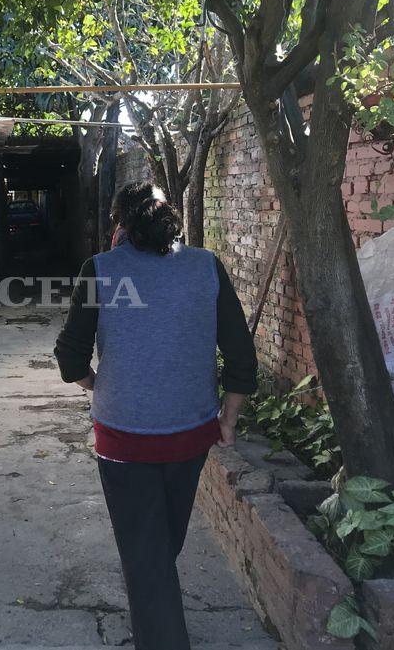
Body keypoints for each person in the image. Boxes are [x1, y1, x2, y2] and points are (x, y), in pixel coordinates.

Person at [54, 181, 257, 650]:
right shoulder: (206, 266)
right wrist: (228, 418)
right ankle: (155, 617)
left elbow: (70, 357)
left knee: (147, 551)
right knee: (162, 540)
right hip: (191, 435)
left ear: (119, 224)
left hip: (123, 437)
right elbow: (241, 355)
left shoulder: (100, 270)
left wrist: (97, 385)